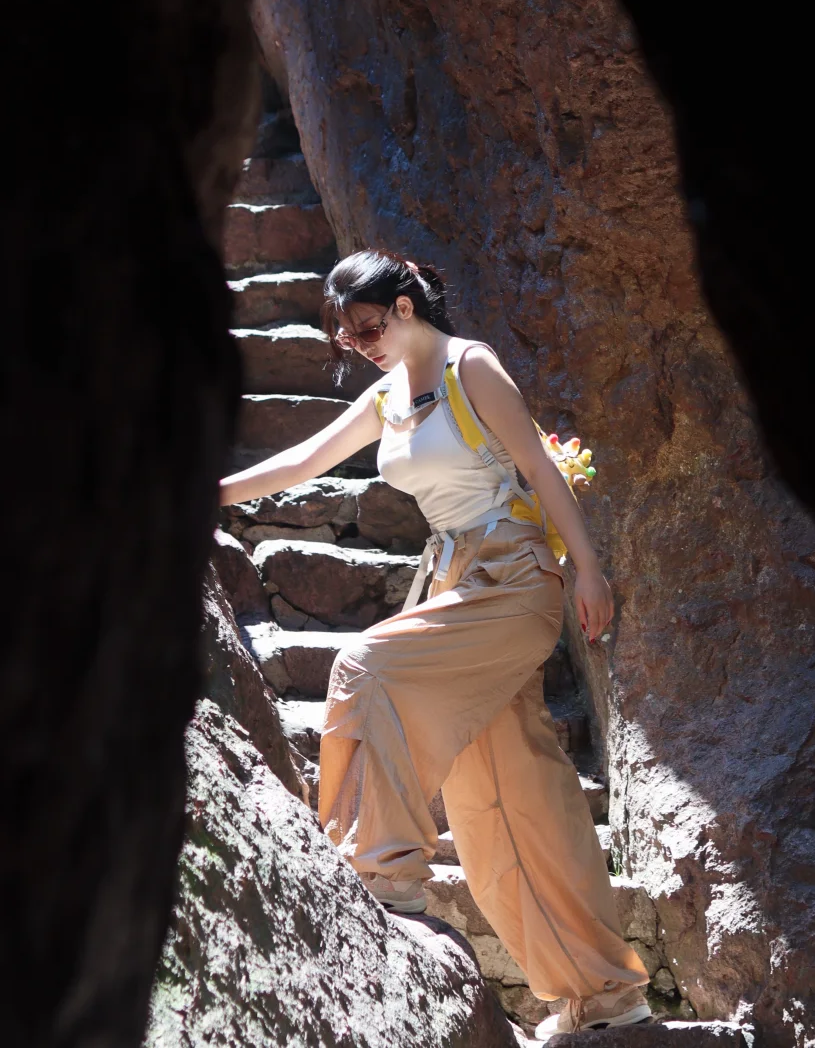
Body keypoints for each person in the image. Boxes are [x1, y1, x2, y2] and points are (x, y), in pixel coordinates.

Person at [220, 248, 652, 1037]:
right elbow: (303, 459)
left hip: (515, 580)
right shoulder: (388, 396)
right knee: (505, 798)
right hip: (457, 582)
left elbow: (540, 475)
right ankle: (605, 993)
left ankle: (381, 874)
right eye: (348, 339)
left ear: (407, 308)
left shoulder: (471, 368)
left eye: (369, 328)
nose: (363, 345)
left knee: (365, 664)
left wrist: (587, 571)